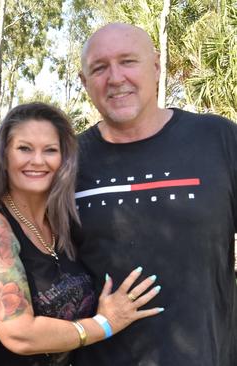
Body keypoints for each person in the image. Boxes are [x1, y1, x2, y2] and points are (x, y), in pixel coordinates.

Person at [74, 23, 237, 365]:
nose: (115, 77)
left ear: (156, 66)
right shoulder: (65, 161)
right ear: (83, 80)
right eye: (100, 68)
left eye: (128, 61)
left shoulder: (218, 139)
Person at [0, 102, 162, 366]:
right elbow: (19, 335)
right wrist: (104, 324)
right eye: (24, 148)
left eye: (50, 150)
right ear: (4, 156)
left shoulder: (62, 224)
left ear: (63, 160)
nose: (37, 160)